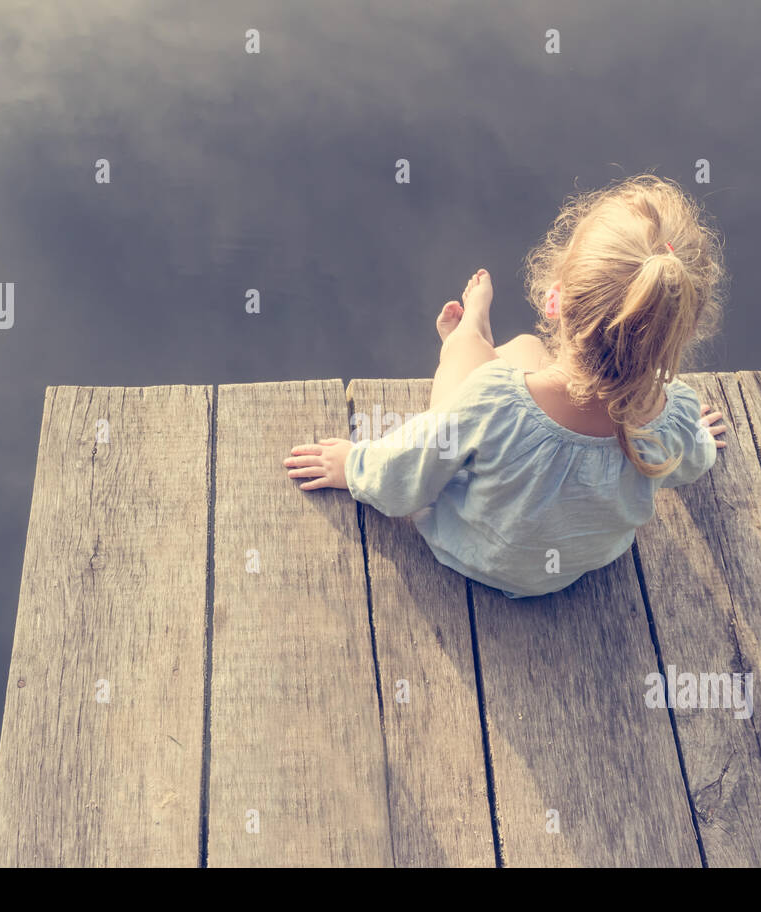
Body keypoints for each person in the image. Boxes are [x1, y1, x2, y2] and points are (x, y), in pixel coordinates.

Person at [283, 174, 728, 598]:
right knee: (530, 351)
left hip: (469, 553)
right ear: (677, 334)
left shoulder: (492, 403)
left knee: (483, 364)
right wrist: (700, 436)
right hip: (573, 570)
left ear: (556, 301)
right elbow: (692, 462)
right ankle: (479, 344)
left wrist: (353, 466)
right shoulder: (674, 416)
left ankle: (467, 338)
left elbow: (405, 476)